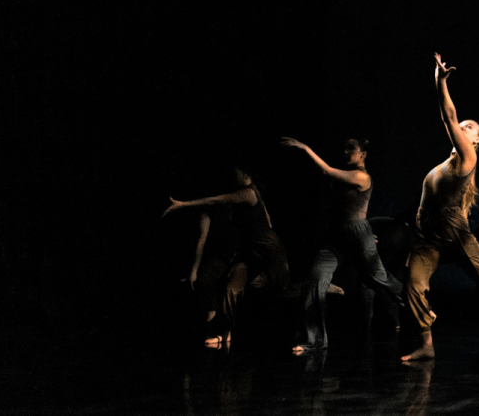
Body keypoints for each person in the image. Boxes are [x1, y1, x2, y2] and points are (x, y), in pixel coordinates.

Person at [401, 53, 479, 361]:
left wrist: (440, 82)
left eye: (469, 127)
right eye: (464, 125)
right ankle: (427, 346)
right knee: (413, 286)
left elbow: (449, 116)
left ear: (476, 141)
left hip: (453, 230)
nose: (463, 127)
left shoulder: (469, 158)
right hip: (427, 232)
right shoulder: (448, 163)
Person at [282, 136, 404, 354]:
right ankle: (315, 340)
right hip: (336, 237)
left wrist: (305, 147)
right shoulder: (345, 176)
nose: (346, 152)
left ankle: (420, 306)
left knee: (379, 279)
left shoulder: (361, 176)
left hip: (357, 232)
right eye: (345, 148)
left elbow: (327, 171)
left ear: (363, 155)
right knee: (315, 280)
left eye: (351, 148)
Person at [164, 163, 291, 302]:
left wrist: (182, 204)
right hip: (252, 251)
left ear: (246, 174)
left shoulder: (248, 193)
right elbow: (267, 218)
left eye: (235, 174)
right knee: (231, 290)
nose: (232, 177)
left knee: (274, 294)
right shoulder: (250, 192)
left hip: (268, 250)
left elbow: (215, 200)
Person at [180, 203, 244, 349]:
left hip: (226, 255)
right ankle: (216, 330)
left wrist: (194, 269)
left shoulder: (208, 214)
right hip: (227, 253)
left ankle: (214, 329)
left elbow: (200, 242)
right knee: (210, 285)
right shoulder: (219, 212)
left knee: (205, 282)